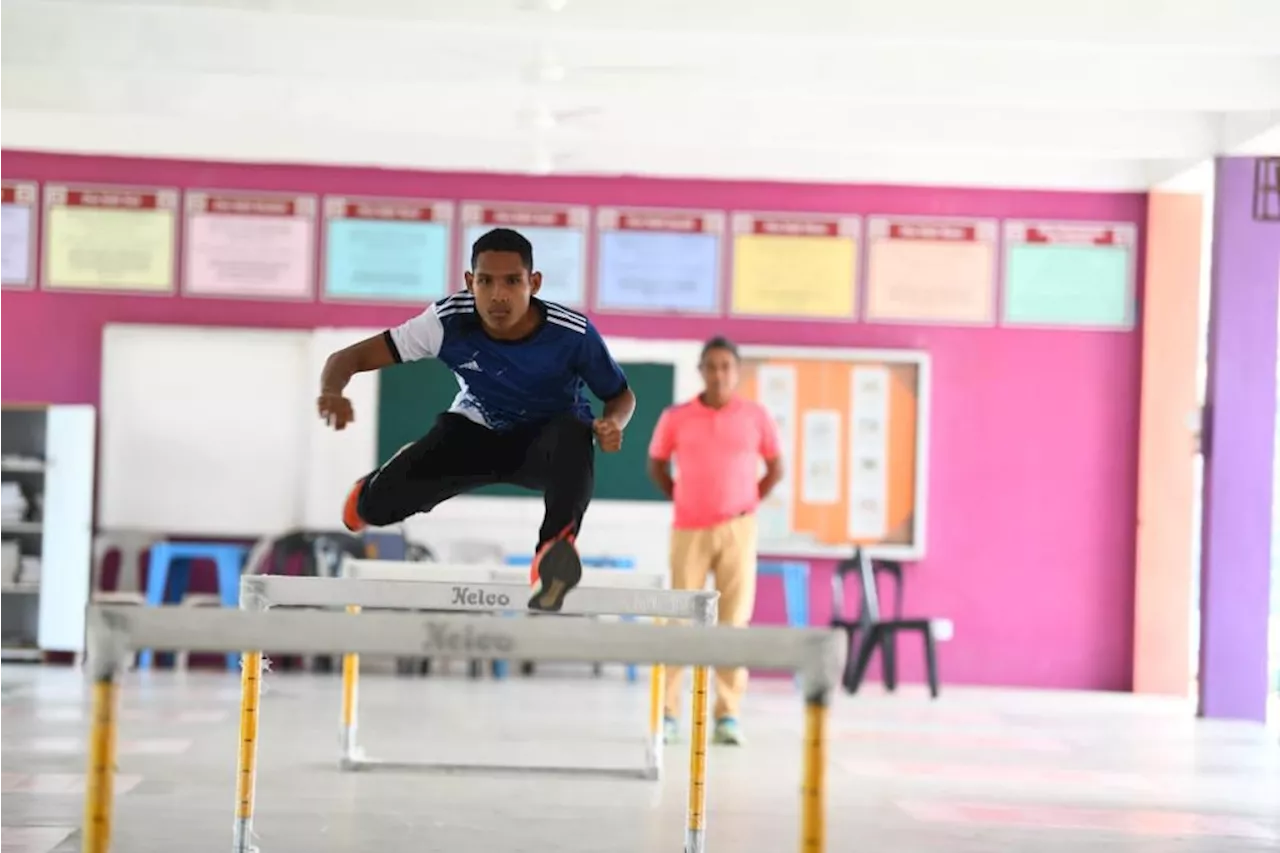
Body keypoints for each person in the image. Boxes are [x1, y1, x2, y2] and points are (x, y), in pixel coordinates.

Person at [316, 228, 636, 612]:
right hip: (472, 437)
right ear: (470, 283)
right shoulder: (446, 322)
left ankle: (553, 556)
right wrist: (332, 392)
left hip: (546, 445)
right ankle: (373, 490)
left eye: (512, 281)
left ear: (533, 283)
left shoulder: (572, 334)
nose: (498, 295)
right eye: (485, 281)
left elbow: (620, 395)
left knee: (575, 432)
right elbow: (345, 360)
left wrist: (614, 423)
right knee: (373, 511)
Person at [647, 336, 783, 746]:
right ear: (701, 370)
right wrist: (682, 497)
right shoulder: (677, 416)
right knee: (678, 620)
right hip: (689, 529)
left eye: (726, 366)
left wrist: (747, 501)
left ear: (737, 371)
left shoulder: (756, 416)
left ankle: (727, 714)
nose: (719, 373)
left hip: (738, 530)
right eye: (711, 365)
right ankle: (668, 712)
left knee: (733, 622)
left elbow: (776, 467)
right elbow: (656, 463)